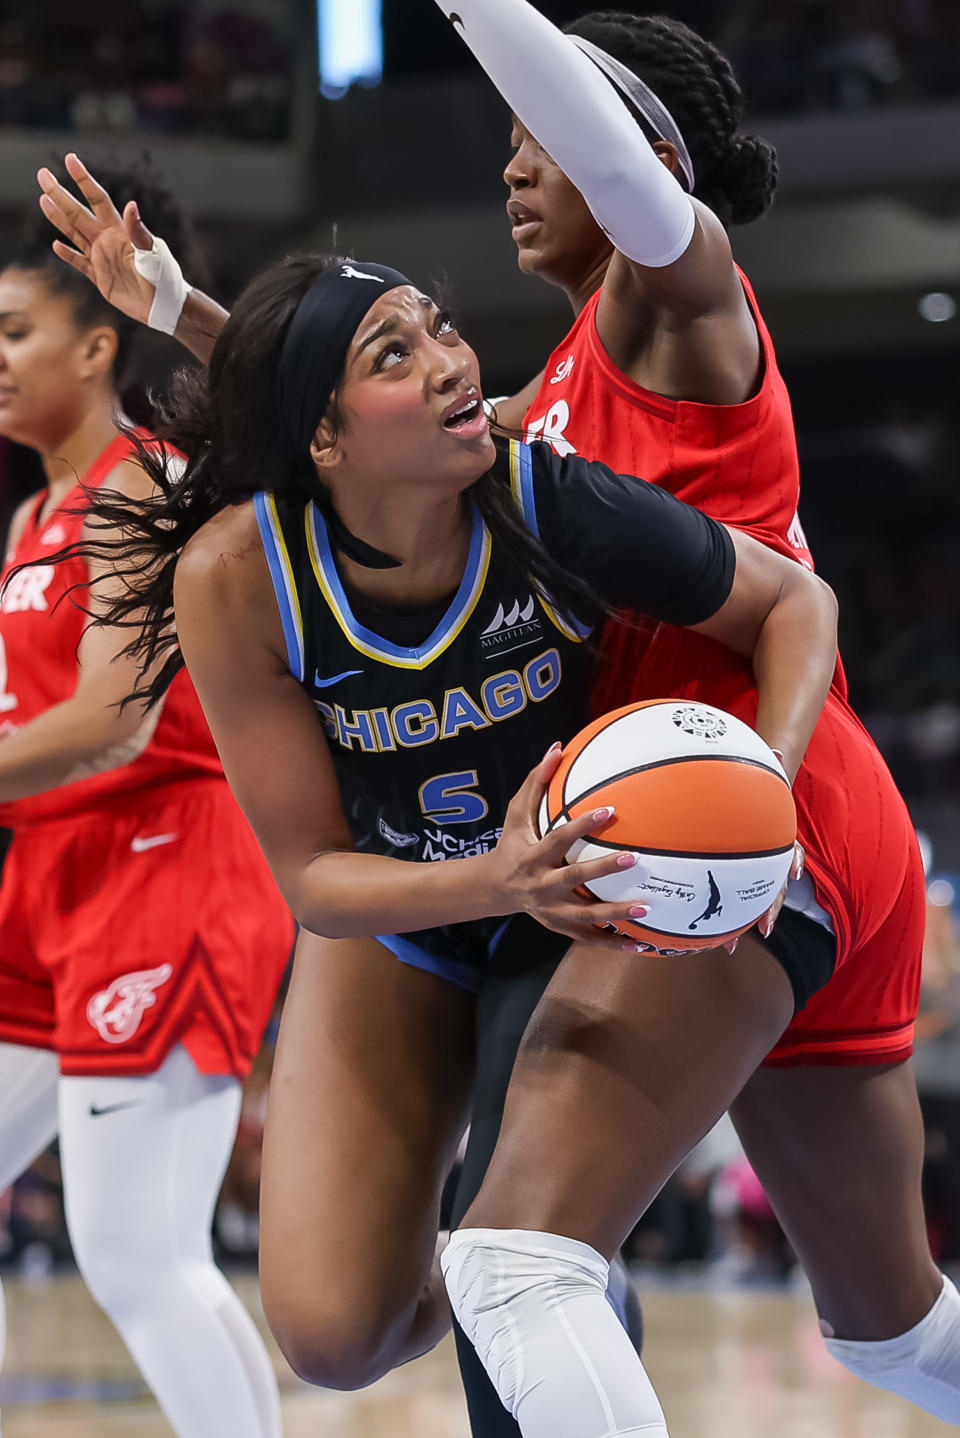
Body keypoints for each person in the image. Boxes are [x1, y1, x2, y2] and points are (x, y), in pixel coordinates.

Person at [37, 238, 843, 1417]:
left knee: (507, 1253)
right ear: (324, 439)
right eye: (397, 350)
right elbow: (312, 874)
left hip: (566, 906)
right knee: (331, 1334)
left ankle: (555, 1267)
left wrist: (765, 784)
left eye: (442, 326)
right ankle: (564, 1268)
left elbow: (794, 603)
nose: (453, 360)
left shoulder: (535, 490)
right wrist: (492, 875)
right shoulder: (236, 573)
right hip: (400, 910)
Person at [428, 3, 954, 1433]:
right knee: (892, 1331)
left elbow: (638, 188)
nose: (515, 174)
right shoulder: (560, 388)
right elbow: (372, 419)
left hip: (744, 798)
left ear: (632, 161)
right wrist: (191, 319)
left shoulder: (692, 301)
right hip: (810, 824)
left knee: (514, 1259)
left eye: (541, 141)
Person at [0, 166, 294, 1438]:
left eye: (15, 333)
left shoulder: (142, 479)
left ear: (99, 340)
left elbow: (113, 721)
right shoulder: (30, 514)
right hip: (46, 882)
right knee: (129, 1246)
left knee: (133, 1248)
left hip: (165, 860)